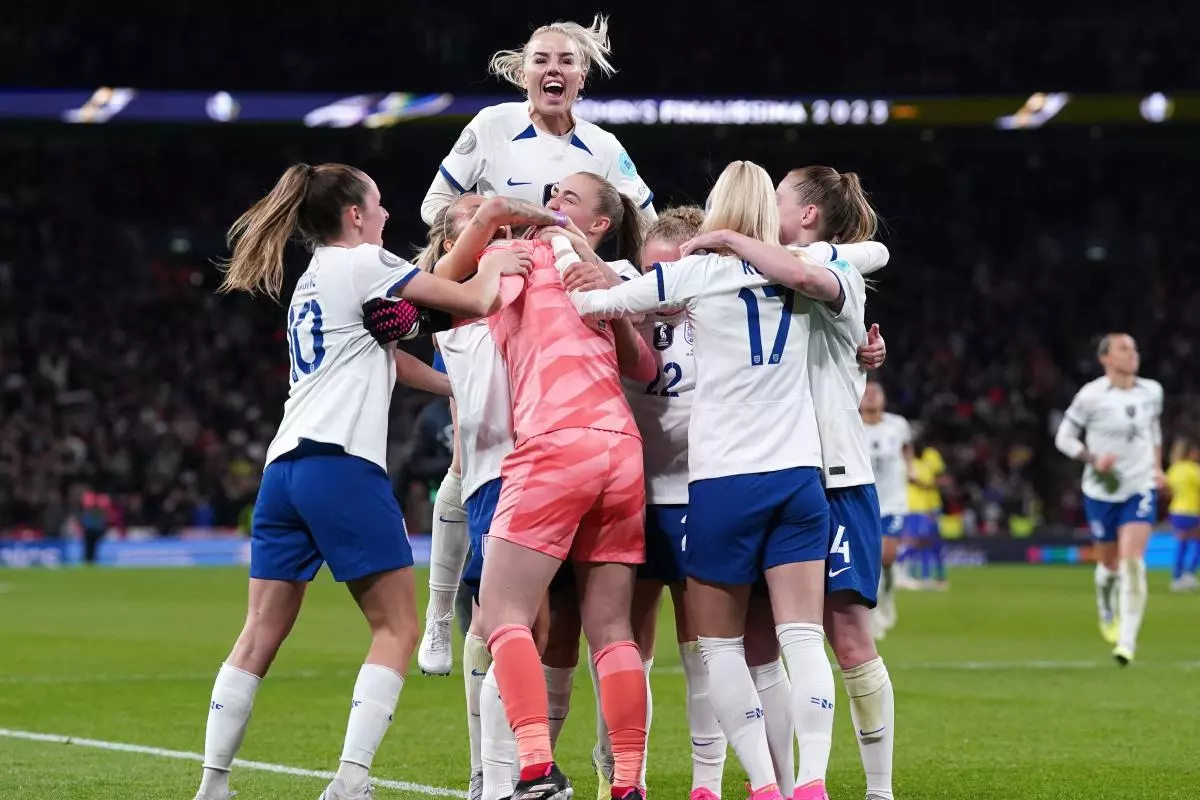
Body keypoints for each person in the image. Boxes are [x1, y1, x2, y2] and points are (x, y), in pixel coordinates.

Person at [192, 162, 529, 800]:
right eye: (377, 204)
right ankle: (351, 780)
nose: (386, 215)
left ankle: (214, 784)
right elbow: (473, 299)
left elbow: (387, 358)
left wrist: (458, 385)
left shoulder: (312, 280)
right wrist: (499, 259)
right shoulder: (363, 261)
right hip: (342, 463)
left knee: (258, 633)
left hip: (283, 470)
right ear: (354, 215)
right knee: (396, 629)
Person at [571, 160, 837, 800]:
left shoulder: (696, 276)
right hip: (787, 474)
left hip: (718, 483)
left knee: (716, 648)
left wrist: (569, 265)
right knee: (799, 638)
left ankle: (750, 784)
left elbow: (595, 302)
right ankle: (808, 782)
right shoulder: (808, 267)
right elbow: (867, 254)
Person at [679, 163, 897, 800]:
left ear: (807, 215)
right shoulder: (759, 273)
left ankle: (878, 790)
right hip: (767, 468)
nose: (765, 205)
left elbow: (870, 252)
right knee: (756, 642)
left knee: (847, 636)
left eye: (778, 197)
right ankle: (779, 783)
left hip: (834, 474)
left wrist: (728, 239)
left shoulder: (827, 266)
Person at [413, 194, 564, 678]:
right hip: (497, 473)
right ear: (454, 244)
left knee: (538, 627)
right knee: (504, 624)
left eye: (504, 232)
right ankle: (439, 612)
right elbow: (459, 288)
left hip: (546, 464)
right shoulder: (448, 296)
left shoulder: (521, 282)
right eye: (482, 229)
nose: (499, 238)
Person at [421, 15, 655, 228]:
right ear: (523, 76)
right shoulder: (491, 125)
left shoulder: (605, 146)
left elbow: (648, 224)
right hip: (500, 260)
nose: (553, 68)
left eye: (566, 61)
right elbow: (435, 202)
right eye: (541, 60)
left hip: (571, 262)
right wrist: (479, 233)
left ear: (581, 78)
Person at [1054, 332, 1164, 665]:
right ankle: (1105, 604)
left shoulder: (1152, 391)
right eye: (1124, 348)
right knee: (1110, 564)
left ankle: (1126, 642)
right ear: (1106, 358)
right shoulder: (1091, 396)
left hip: (1139, 486)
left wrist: (1157, 468)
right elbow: (1064, 438)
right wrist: (1092, 459)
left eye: (1134, 348)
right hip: (1101, 490)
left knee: (1132, 562)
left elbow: (1153, 431)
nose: (1133, 354)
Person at [860, 380, 915, 636]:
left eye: (876, 392)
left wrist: (910, 468)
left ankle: (887, 597)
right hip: (864, 500)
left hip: (893, 501)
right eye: (867, 392)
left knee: (887, 556)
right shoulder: (852, 424)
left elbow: (907, 447)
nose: (871, 396)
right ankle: (872, 610)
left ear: (883, 398)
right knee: (869, 558)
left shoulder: (898, 424)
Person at [1165, 437, 1200, 591]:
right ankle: (1189, 574)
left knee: (1182, 543)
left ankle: (1177, 577)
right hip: (1191, 511)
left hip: (1176, 510)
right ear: (1191, 453)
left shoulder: (1174, 469)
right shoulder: (1193, 469)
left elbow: (1168, 489)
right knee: (1197, 543)